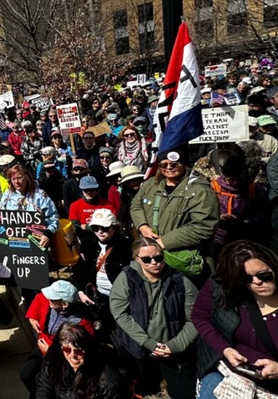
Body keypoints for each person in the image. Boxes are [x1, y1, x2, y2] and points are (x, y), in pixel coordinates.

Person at [193, 241, 278, 398]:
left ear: (276, 267)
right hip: (230, 376)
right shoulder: (222, 287)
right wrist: (224, 349)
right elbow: (200, 316)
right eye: (246, 278)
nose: (257, 282)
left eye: (264, 275)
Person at [109, 238, 199, 399]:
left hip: (175, 351)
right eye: (147, 259)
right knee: (142, 390)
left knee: (185, 394)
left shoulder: (180, 281)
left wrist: (175, 345)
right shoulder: (127, 279)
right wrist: (147, 342)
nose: (154, 263)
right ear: (137, 259)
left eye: (158, 257)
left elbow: (197, 318)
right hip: (139, 350)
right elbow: (120, 313)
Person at [130, 148, 219, 284]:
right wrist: (143, 226)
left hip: (184, 262)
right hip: (153, 259)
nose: (169, 168)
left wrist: (163, 242)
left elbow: (203, 226)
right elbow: (136, 205)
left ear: (183, 164)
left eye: (174, 164)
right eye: (164, 165)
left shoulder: (199, 190)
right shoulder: (151, 184)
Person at [20, 281, 96, 397]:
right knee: (26, 374)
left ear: (65, 304)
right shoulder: (49, 301)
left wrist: (50, 352)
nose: (48, 299)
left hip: (63, 356)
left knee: (46, 381)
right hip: (44, 345)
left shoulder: (82, 324)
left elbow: (79, 353)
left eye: (52, 298)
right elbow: (39, 298)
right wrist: (32, 317)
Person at [71, 209, 131, 339]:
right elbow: (80, 270)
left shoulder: (125, 246)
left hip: (122, 298)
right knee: (103, 331)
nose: (100, 231)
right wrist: (81, 291)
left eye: (104, 228)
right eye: (95, 228)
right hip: (98, 297)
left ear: (114, 228)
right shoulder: (88, 243)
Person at [35, 323, 127, 399]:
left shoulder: (107, 381)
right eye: (67, 349)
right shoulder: (54, 360)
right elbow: (44, 388)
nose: (72, 355)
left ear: (87, 350)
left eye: (78, 351)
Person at [0, 164, 59, 249]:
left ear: (27, 177)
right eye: (13, 179)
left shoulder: (40, 196)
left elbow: (54, 219)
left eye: (19, 178)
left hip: (37, 244)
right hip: (14, 243)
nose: (16, 182)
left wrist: (48, 233)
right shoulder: (7, 196)